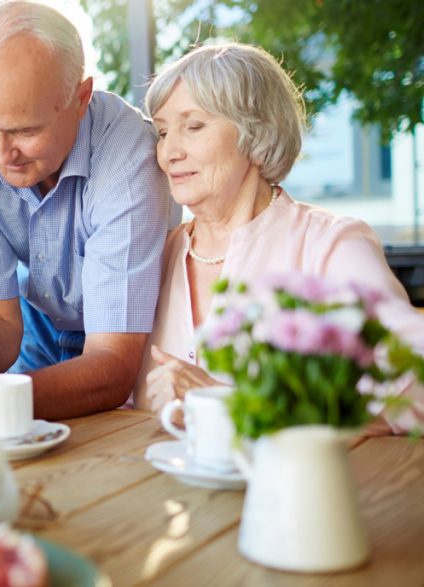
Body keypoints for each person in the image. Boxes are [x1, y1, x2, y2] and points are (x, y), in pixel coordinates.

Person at [0, 1, 173, 421]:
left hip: (134, 340)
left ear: (81, 98)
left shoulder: (129, 154)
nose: (1, 156)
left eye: (25, 130)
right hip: (38, 325)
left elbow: (113, 363)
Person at [136, 42, 423, 433]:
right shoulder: (152, 255)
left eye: (194, 126)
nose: (169, 152)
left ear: (256, 131)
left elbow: (416, 380)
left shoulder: (331, 246)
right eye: (163, 132)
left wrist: (233, 404)